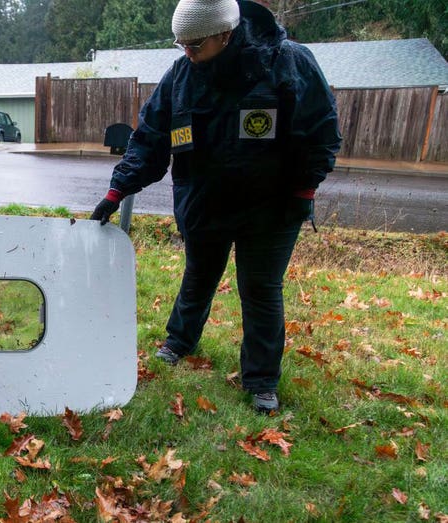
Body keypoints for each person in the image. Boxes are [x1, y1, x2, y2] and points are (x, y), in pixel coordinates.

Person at [90, 0, 340, 413]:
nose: (187, 53)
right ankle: (179, 341)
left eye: (195, 45)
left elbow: (321, 131)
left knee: (260, 289)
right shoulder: (181, 76)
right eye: (181, 45)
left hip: (271, 207)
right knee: (199, 275)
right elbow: (150, 138)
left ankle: (261, 381)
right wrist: (117, 191)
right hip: (205, 202)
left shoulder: (287, 63)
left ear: (225, 34)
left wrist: (304, 190)